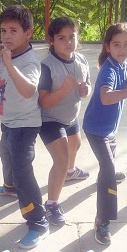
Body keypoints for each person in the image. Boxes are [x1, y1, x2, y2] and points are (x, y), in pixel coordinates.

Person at [0, 4, 49, 249]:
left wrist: (9, 63)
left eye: (13, 30)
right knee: (5, 152)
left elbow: (28, 90)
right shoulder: (6, 53)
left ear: (28, 33)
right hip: (8, 121)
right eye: (3, 31)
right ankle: (10, 187)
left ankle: (38, 221)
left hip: (25, 124)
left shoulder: (30, 62)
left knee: (23, 170)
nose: (6, 36)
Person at [82, 22, 127, 245]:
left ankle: (105, 176)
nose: (122, 49)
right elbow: (106, 97)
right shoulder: (109, 69)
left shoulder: (122, 65)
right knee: (108, 169)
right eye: (117, 44)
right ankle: (102, 221)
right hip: (96, 130)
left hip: (109, 129)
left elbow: (119, 91)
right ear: (108, 47)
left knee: (107, 168)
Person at [37, 17, 92, 227]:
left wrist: (86, 90)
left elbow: (88, 84)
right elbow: (44, 102)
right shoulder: (46, 66)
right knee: (60, 159)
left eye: (72, 37)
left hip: (71, 116)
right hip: (50, 119)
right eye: (62, 38)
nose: (68, 42)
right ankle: (51, 204)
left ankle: (70, 172)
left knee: (75, 145)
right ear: (51, 40)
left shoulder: (81, 60)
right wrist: (64, 90)